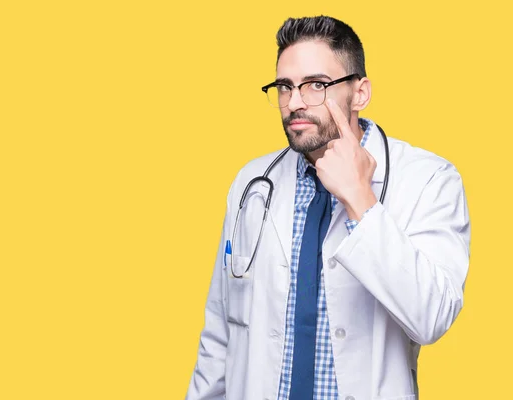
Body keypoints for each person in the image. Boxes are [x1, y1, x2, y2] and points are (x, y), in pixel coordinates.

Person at [185, 15, 470, 400]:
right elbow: (221, 331)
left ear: (360, 93)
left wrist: (360, 200)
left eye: (315, 85)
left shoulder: (428, 179)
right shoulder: (251, 183)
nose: (295, 103)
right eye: (285, 87)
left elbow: (431, 318)